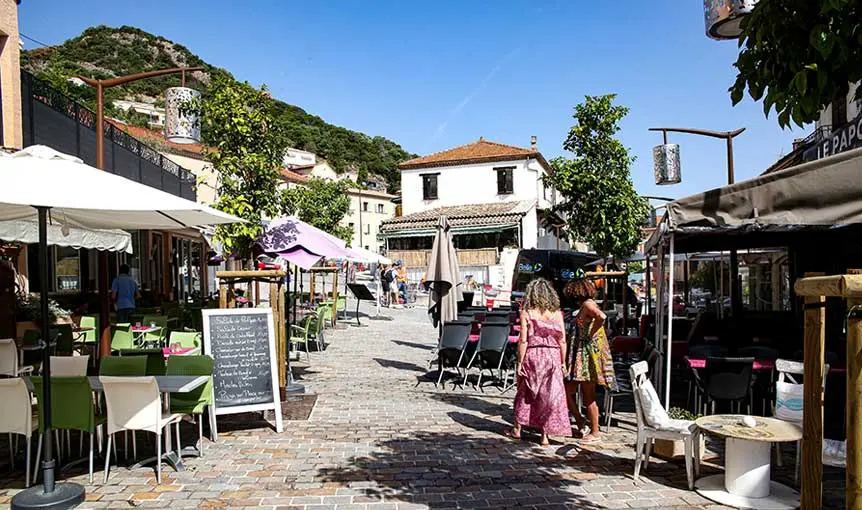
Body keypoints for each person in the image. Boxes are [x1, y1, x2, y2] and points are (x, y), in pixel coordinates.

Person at [508, 278, 570, 446]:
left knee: (526, 391)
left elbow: (523, 340)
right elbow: (563, 340)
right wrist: (564, 362)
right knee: (548, 395)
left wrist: (520, 362)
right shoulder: (557, 313)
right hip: (553, 355)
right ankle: (544, 435)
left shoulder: (527, 312)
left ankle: (517, 429)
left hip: (534, 354)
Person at [563, 271, 616, 443]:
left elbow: (602, 317)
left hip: (586, 357)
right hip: (581, 356)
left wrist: (590, 333)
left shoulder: (587, 305)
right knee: (568, 390)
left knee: (588, 394)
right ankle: (580, 420)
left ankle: (595, 431)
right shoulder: (587, 304)